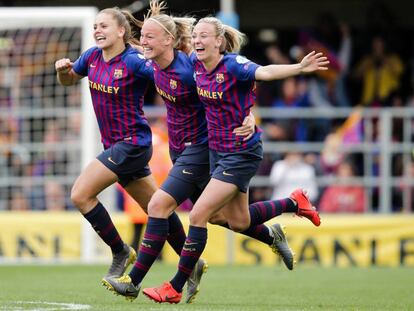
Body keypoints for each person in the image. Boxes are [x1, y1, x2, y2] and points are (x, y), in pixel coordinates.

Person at [102, 1, 320, 304]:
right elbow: (146, 43)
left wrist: (250, 113)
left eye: (151, 37)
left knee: (165, 206)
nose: (143, 43)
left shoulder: (195, 67)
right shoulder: (162, 65)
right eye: (143, 38)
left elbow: (251, 79)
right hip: (200, 151)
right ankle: (286, 213)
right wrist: (151, 21)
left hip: (207, 150)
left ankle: (141, 281)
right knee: (232, 219)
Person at [54, 7, 191, 282]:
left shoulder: (135, 61)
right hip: (115, 146)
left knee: (80, 194)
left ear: (121, 31)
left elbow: (171, 79)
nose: (97, 31)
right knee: (157, 206)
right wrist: (62, 71)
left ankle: (120, 251)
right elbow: (69, 81)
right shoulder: (92, 56)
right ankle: (192, 263)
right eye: (95, 26)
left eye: (103, 26)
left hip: (133, 144)